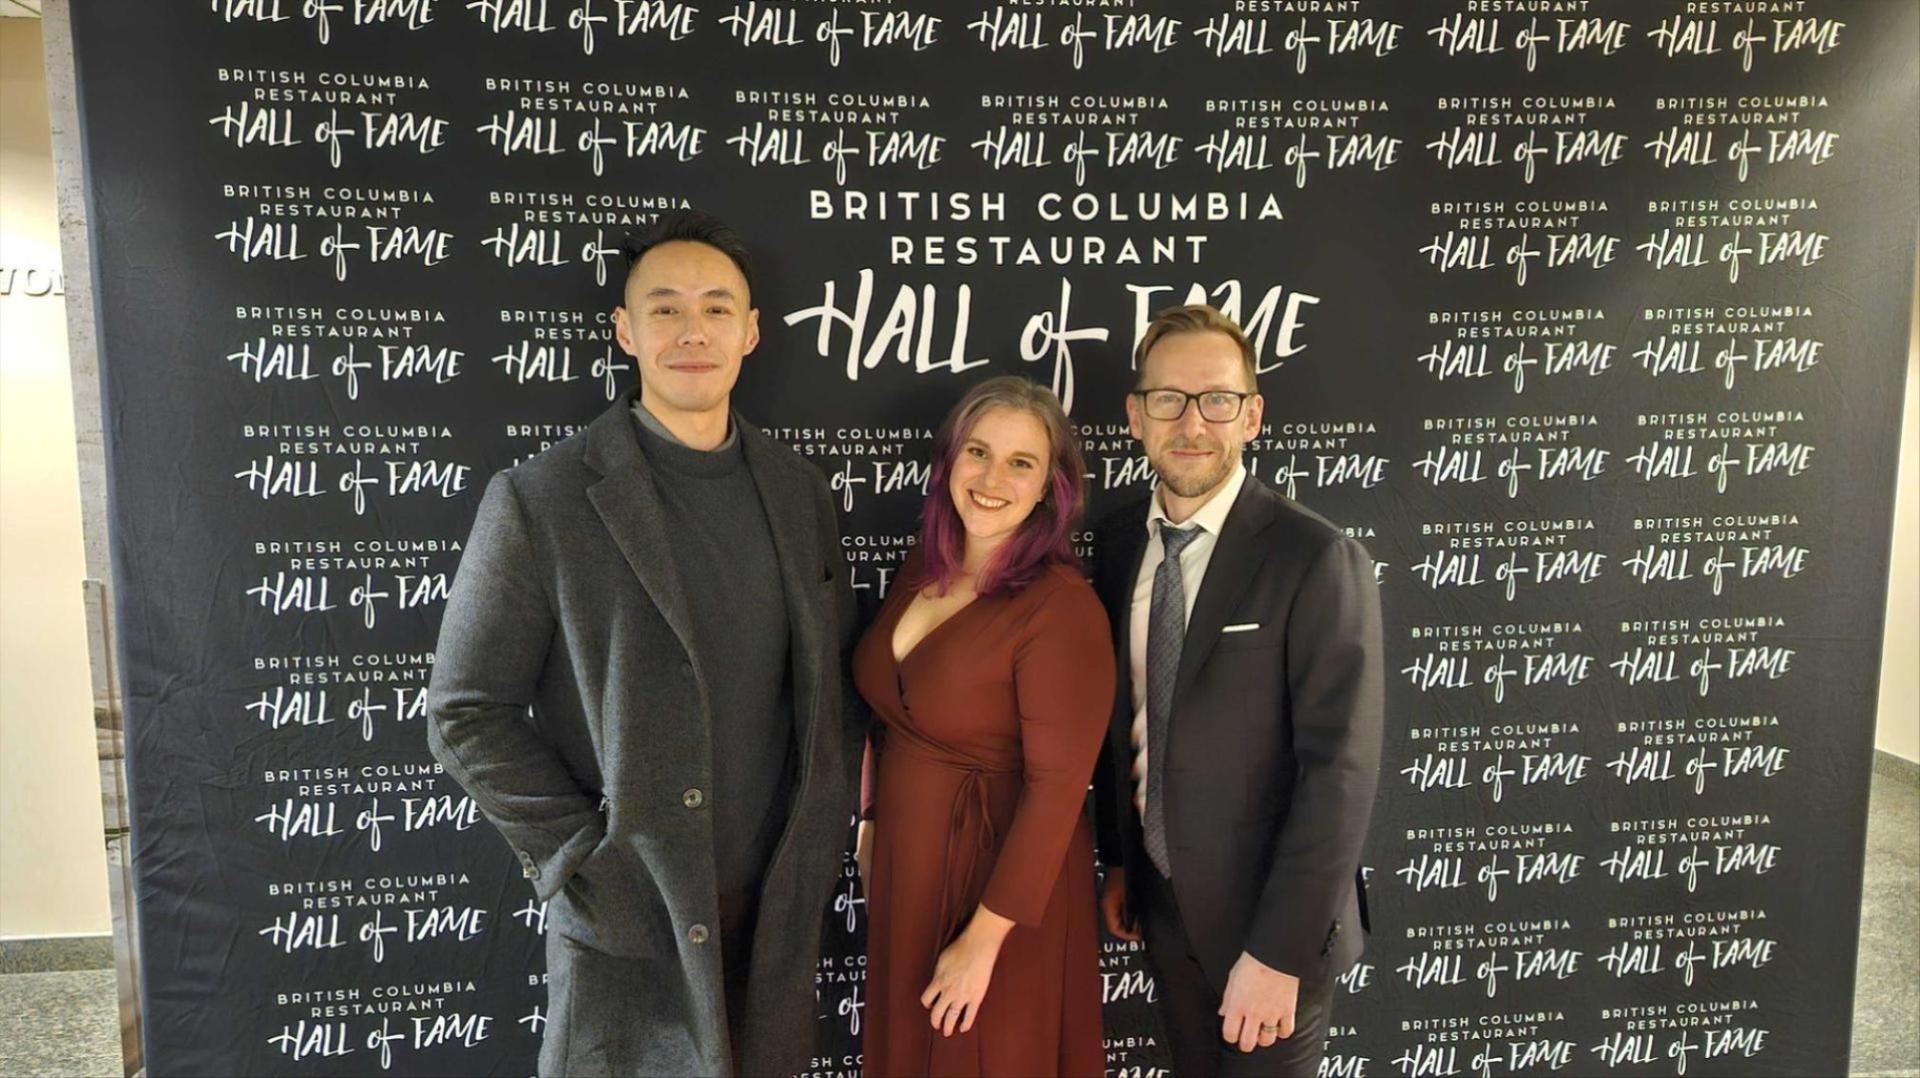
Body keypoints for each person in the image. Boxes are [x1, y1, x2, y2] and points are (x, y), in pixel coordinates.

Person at [426, 210, 864, 1077]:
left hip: (777, 919)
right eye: (664, 309)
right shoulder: (540, 499)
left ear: (750, 332)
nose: (690, 330)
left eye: (714, 308)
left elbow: (823, 693)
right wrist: (582, 860)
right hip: (630, 926)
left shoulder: (800, 493)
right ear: (625, 332)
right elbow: (465, 710)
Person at [1090, 305, 1384, 1077]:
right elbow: (1126, 719)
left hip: (1271, 926)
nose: (1192, 423)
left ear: (1252, 414)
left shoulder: (1316, 557)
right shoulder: (1118, 544)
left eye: (1217, 399)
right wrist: (1121, 861)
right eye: (1168, 400)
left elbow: (1339, 774)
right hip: (1160, 903)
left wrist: (1277, 954)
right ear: (1135, 416)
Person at [852, 375, 1116, 1076]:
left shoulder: (1061, 609)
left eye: (1020, 462)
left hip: (997, 892)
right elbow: (886, 715)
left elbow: (1059, 790)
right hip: (907, 873)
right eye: (978, 452)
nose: (992, 478)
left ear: (1050, 488)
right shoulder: (923, 569)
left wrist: (983, 941)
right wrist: (870, 823)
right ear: (948, 464)